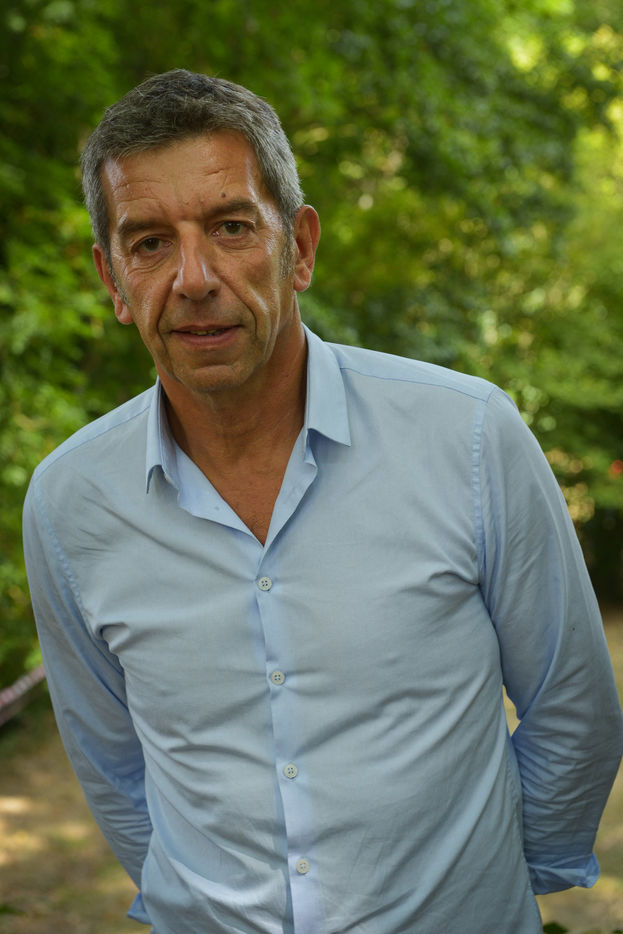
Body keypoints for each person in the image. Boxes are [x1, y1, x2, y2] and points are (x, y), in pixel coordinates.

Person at [22, 69, 623, 934]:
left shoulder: (468, 437)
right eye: (148, 242)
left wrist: (478, 893)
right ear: (113, 280)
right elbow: (113, 768)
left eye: (231, 228)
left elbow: (572, 706)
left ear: (298, 248)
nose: (193, 277)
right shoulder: (69, 503)